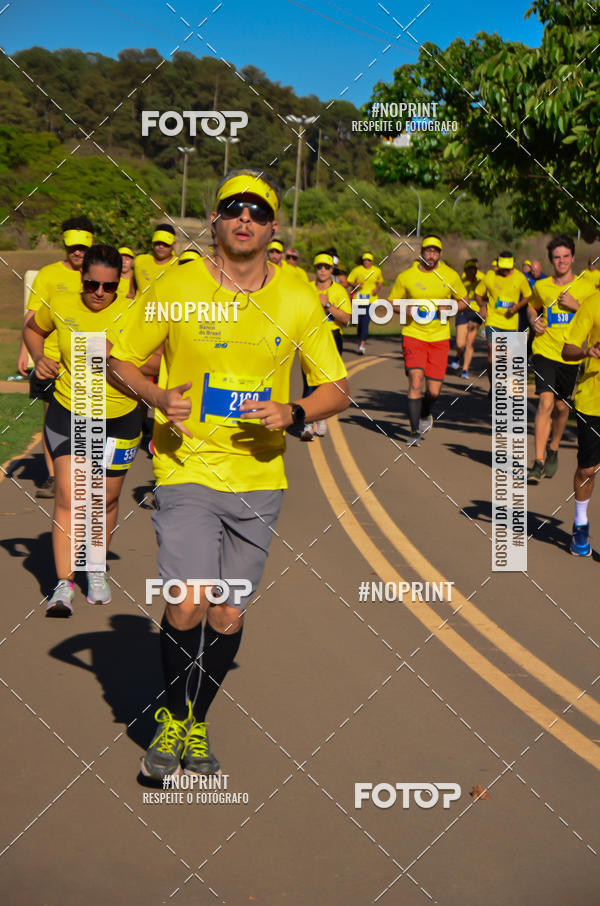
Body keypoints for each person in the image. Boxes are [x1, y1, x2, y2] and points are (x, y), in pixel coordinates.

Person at [107, 168, 349, 781]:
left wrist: (293, 411)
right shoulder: (175, 284)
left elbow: (338, 388)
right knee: (186, 602)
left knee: (227, 614)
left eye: (258, 211)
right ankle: (169, 717)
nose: (245, 218)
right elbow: (117, 361)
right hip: (185, 465)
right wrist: (156, 395)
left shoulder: (297, 295)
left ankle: (195, 719)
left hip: (260, 478)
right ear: (215, 221)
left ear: (273, 228)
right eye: (233, 208)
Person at [23, 245, 143, 616]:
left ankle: (95, 567)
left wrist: (121, 353)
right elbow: (33, 329)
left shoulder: (136, 311)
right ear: (82, 278)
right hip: (71, 411)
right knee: (70, 497)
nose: (100, 294)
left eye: (109, 286)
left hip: (120, 417)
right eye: (92, 285)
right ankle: (63, 583)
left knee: (104, 499)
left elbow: (158, 356)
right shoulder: (60, 301)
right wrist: (39, 357)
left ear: (120, 281)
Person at [17, 216, 94, 498]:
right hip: (50, 359)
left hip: (89, 361)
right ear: (65, 244)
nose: (77, 252)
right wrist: (25, 353)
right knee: (53, 418)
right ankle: (52, 475)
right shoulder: (48, 274)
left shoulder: (97, 275)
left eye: (82, 247)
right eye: (72, 247)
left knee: (88, 417)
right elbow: (32, 316)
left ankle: (84, 474)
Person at [527, 236, 596, 482]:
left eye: (566, 256)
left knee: (561, 406)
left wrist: (576, 305)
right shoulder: (542, 286)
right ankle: (537, 461)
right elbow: (532, 306)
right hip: (545, 351)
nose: (562, 261)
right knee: (545, 403)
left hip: (571, 355)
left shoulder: (586, 287)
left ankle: (553, 449)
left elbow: (594, 317)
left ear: (573, 258)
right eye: (557, 257)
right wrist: (533, 319)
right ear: (551, 260)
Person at [388, 234, 468, 444]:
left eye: (435, 251)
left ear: (440, 254)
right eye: (427, 251)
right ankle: (414, 432)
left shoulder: (450, 276)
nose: (431, 255)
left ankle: (424, 412)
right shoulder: (406, 276)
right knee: (415, 381)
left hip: (439, 338)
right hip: (413, 335)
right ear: (422, 252)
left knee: (433, 391)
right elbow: (392, 303)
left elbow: (464, 302)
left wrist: (449, 308)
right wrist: (407, 309)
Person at [562, 289, 600, 555]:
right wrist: (587, 351)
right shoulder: (592, 304)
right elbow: (568, 350)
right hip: (593, 402)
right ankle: (581, 523)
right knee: (587, 470)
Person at [301, 251, 351, 440]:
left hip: (332, 336)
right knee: (308, 379)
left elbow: (347, 319)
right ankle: (306, 423)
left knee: (327, 380)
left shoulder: (338, 291)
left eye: (326, 267)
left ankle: (321, 416)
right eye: (319, 267)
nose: (322, 270)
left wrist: (328, 305)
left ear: (332, 269)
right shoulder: (306, 288)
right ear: (315, 269)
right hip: (309, 337)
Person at [475, 252, 531, 392]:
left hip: (511, 322)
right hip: (493, 320)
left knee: (506, 358)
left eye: (508, 268)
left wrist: (517, 306)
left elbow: (527, 295)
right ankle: (493, 387)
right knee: (492, 356)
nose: (505, 271)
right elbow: (478, 293)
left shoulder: (519, 278)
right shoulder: (490, 276)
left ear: (513, 265)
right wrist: (482, 306)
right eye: (503, 268)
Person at [450, 259, 483, 378]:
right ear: (465, 270)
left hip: (475, 313)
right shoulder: (460, 282)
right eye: (469, 269)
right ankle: (458, 356)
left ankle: (465, 369)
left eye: (473, 269)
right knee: (460, 343)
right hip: (463, 312)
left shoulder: (480, 283)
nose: (471, 271)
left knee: (470, 342)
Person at [347, 252, 383, 355]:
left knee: (365, 322)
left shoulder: (376, 270)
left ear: (372, 261)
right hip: (359, 299)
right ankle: (360, 339)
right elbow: (349, 281)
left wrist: (378, 288)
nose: (366, 262)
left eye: (368, 260)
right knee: (359, 322)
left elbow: (380, 281)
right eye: (365, 260)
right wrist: (356, 285)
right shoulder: (357, 270)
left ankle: (361, 345)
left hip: (371, 300)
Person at [134, 224, 178, 293]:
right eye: (158, 243)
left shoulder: (179, 265)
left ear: (174, 244)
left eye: (165, 244)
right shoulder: (139, 260)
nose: (161, 246)